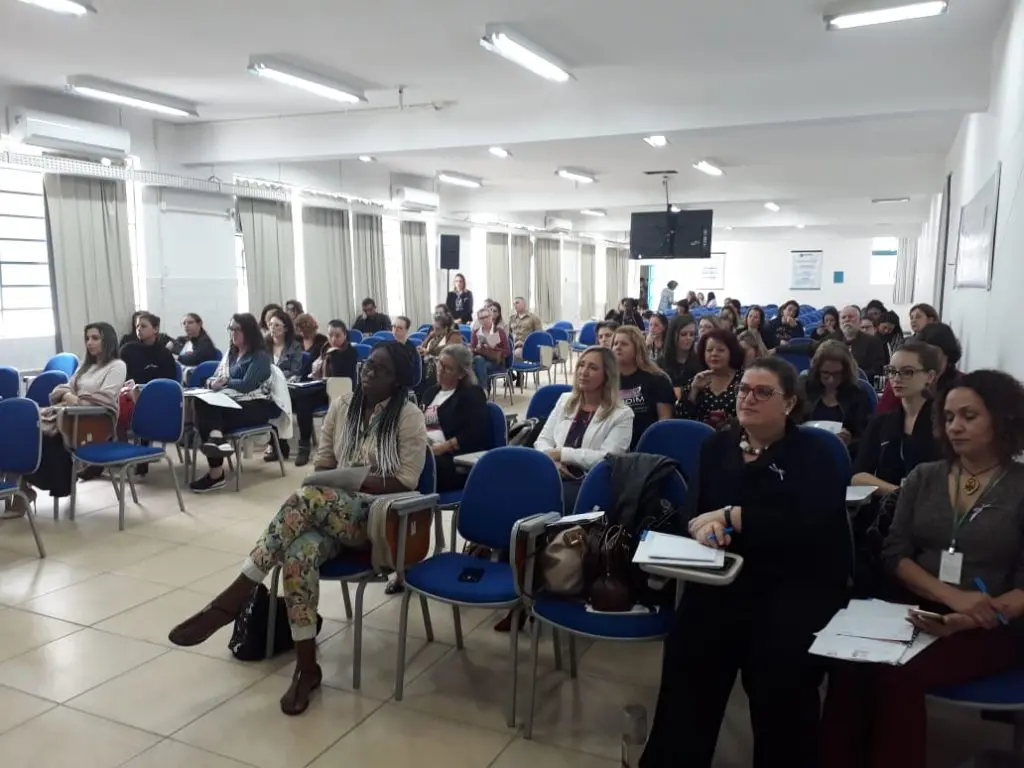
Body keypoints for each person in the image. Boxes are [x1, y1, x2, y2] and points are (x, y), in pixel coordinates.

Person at [169, 342, 427, 716]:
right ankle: (307, 667)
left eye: (381, 370)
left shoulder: (408, 416)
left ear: (398, 381)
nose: (369, 372)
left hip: (376, 518)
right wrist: (326, 478)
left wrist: (356, 481)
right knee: (297, 554)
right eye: (368, 365)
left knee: (304, 500)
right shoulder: (342, 408)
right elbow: (321, 464)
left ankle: (238, 592)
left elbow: (407, 480)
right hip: (328, 510)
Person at [642, 357, 850, 768]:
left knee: (782, 677)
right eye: (743, 390)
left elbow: (810, 525)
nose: (748, 399)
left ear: (789, 403)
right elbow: (693, 511)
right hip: (721, 580)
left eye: (762, 392)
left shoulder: (814, 453)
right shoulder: (717, 444)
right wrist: (702, 529)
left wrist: (735, 516)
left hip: (790, 587)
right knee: (688, 657)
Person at [822, 370, 1024, 768]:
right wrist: (950, 597)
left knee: (899, 675)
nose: (956, 427)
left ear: (1003, 419)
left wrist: (967, 616)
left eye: (969, 416)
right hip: (915, 608)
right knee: (850, 663)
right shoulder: (925, 477)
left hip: (993, 621)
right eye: (948, 417)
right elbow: (895, 553)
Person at [10, 323, 127, 515]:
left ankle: (26, 489)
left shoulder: (117, 366)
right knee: (22, 428)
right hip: (71, 414)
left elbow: (104, 400)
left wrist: (73, 398)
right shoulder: (86, 366)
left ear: (107, 340)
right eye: (87, 338)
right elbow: (62, 389)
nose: (90, 343)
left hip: (95, 421)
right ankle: (21, 490)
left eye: (95, 338)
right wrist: (72, 398)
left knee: (40, 435)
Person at [189, 313, 283, 493]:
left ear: (248, 331)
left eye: (237, 329)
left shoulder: (260, 356)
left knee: (209, 412)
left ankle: (216, 471)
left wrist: (224, 382)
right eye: (231, 328)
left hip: (258, 406)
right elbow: (214, 377)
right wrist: (213, 383)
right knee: (202, 403)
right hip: (233, 403)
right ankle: (216, 439)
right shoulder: (231, 354)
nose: (233, 333)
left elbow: (247, 385)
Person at [537, 345, 633, 512]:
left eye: (593, 367)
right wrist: (552, 461)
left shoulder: (622, 414)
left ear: (607, 375)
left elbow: (607, 459)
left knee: (548, 498)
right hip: (553, 472)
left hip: (588, 483)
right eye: (581, 365)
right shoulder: (565, 400)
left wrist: (562, 454)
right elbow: (543, 440)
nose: (583, 371)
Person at [852, 342, 942, 496]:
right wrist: (899, 493)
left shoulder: (945, 423)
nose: (896, 378)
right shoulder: (881, 422)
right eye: (892, 371)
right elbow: (858, 477)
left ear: (930, 376)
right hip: (889, 507)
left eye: (907, 372)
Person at [422, 344, 489, 493]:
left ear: (460, 374)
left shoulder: (471, 394)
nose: (440, 370)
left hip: (454, 460)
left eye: (447, 368)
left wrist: (443, 447)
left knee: (419, 463)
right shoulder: (431, 392)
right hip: (426, 448)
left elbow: (474, 434)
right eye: (439, 364)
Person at [291, 320, 358, 468]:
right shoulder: (324, 348)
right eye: (330, 335)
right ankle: (304, 445)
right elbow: (312, 370)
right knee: (303, 400)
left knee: (306, 398)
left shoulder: (350, 351)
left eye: (337, 335)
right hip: (322, 386)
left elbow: (342, 374)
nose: (333, 339)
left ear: (345, 335)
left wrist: (334, 356)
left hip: (340, 389)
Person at [118, 312, 178, 471]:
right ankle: (123, 451)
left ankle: (141, 453)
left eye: (143, 326)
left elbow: (170, 381)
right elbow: (119, 373)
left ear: (155, 329)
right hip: (129, 394)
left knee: (143, 406)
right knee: (117, 406)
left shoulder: (164, 354)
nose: (139, 329)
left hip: (154, 397)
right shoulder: (128, 349)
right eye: (137, 326)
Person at [802, 341, 872, 455]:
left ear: (846, 372)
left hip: (843, 455)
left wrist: (851, 441)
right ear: (817, 370)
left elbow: (867, 439)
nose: (831, 380)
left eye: (837, 374)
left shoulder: (858, 395)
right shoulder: (804, 390)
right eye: (825, 373)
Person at [612, 325, 675, 449]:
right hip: (613, 442)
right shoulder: (607, 379)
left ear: (637, 348)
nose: (618, 347)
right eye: (615, 343)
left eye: (624, 344)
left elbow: (664, 422)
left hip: (647, 444)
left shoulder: (658, 379)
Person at [677, 329, 744, 429]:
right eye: (709, 350)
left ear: (732, 352)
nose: (714, 354)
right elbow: (681, 418)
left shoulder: (744, 380)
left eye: (720, 350)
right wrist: (694, 390)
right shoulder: (696, 380)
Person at [840, 305, 888, 380]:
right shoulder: (834, 342)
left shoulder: (873, 342)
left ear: (859, 321)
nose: (847, 320)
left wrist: (851, 375)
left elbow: (878, 369)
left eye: (850, 317)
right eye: (843, 317)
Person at [469, 307, 509, 388]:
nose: (484, 320)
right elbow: (472, 349)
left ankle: (483, 390)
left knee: (478, 365)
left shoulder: (499, 331)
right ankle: (483, 389)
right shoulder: (476, 332)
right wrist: (476, 348)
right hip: (480, 358)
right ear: (479, 320)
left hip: (495, 361)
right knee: (478, 361)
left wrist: (493, 347)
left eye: (486, 317)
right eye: (481, 318)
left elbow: (507, 352)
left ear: (491, 317)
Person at [661, 314, 699, 397]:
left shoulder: (699, 362)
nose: (688, 338)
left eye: (692, 334)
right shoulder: (660, 363)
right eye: (684, 334)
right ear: (673, 335)